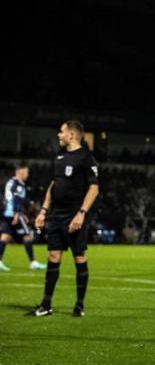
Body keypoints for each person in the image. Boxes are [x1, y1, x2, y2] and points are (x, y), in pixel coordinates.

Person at [28, 120, 99, 317]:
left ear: (72, 135)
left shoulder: (86, 157)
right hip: (56, 216)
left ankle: (79, 305)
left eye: (61, 132)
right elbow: (54, 185)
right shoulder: (59, 157)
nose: (59, 135)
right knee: (53, 256)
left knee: (79, 257)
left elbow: (94, 188)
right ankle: (46, 304)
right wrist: (43, 211)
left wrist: (81, 214)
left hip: (75, 216)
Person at [0, 165, 47, 271]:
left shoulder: (10, 182)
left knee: (4, 237)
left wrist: (21, 212)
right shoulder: (18, 184)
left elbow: (9, 198)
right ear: (20, 172)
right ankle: (33, 262)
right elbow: (16, 199)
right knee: (28, 236)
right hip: (14, 213)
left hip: (7, 213)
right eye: (26, 172)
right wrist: (18, 213)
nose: (27, 174)